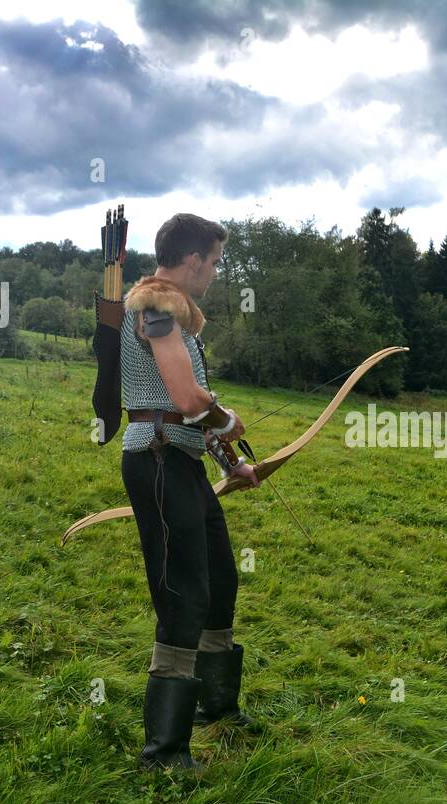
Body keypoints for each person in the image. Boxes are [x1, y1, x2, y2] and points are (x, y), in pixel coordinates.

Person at [119, 213, 260, 773]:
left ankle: (215, 706)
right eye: (216, 262)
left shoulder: (175, 318)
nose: (216, 273)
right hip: (156, 459)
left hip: (179, 459)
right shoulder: (155, 307)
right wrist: (226, 422)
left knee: (218, 580)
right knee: (182, 595)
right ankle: (164, 751)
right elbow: (182, 394)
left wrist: (231, 462)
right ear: (193, 258)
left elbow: (186, 407)